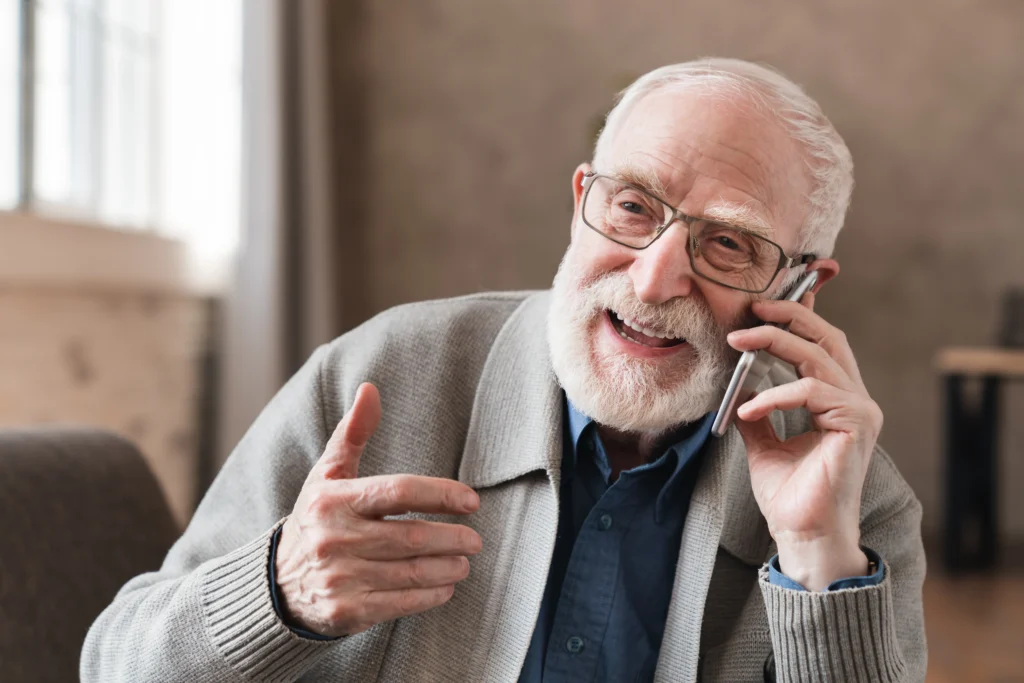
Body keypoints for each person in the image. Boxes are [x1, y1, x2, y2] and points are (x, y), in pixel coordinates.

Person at [82, 58, 926, 683]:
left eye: (730, 243)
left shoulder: (855, 495)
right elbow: (114, 662)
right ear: (581, 203)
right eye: (633, 206)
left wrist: (817, 554)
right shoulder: (383, 369)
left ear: (802, 286)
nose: (655, 277)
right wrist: (278, 592)